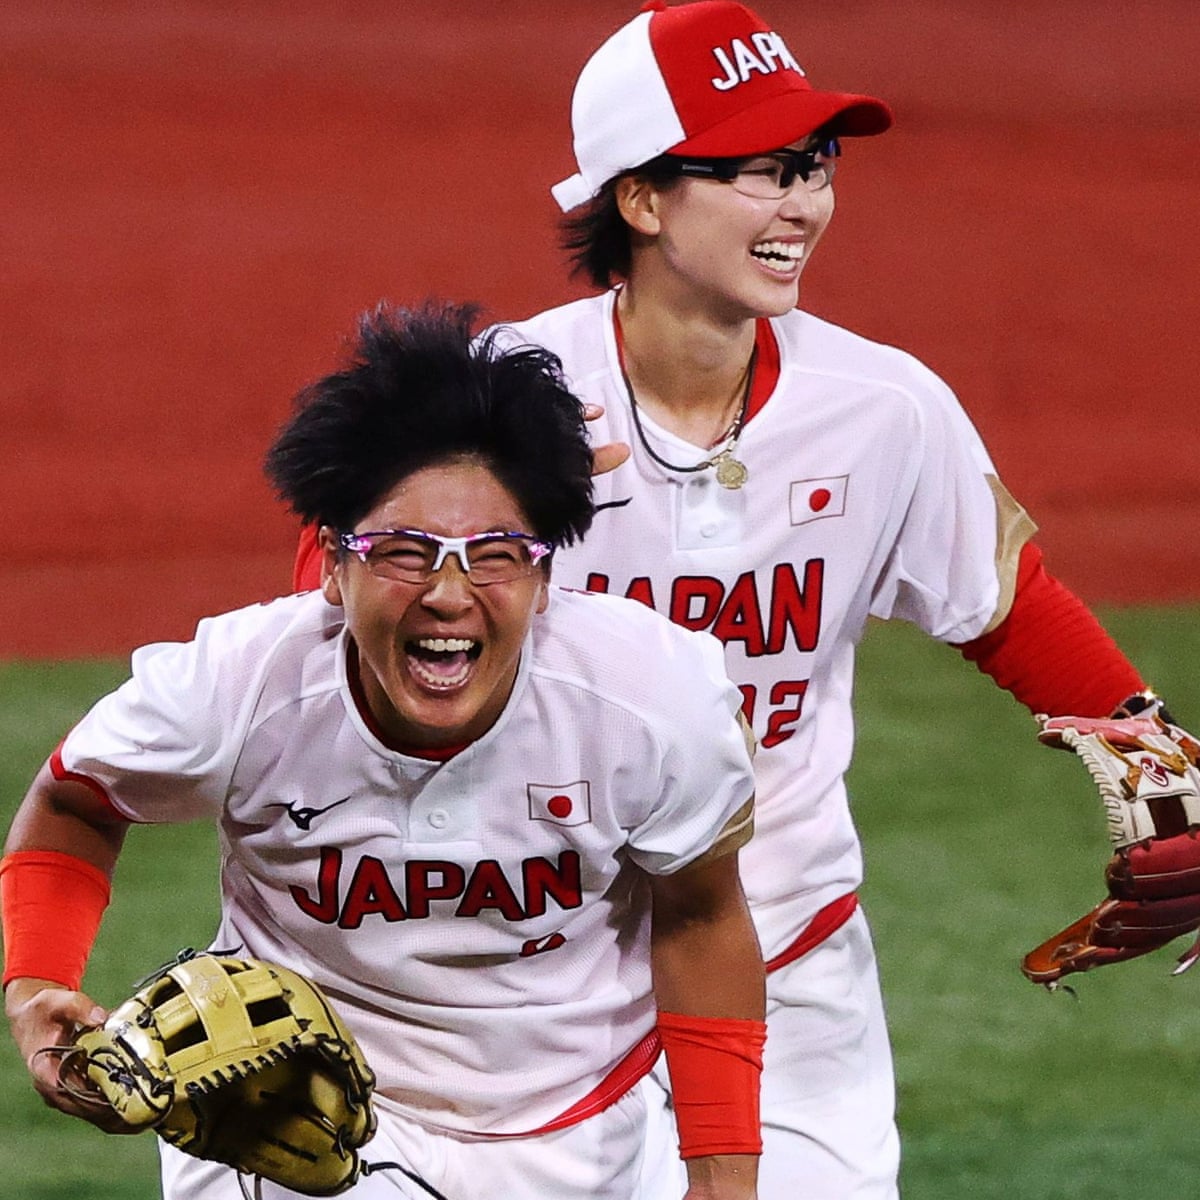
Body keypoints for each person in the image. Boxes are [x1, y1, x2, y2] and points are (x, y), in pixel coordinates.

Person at [291, 4, 1195, 1197]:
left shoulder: (883, 408)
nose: (803, 205)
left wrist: (1151, 742)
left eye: (813, 168)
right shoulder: (503, 404)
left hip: (788, 954)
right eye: (761, 173)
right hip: (532, 964)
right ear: (643, 198)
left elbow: (1005, 604)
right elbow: (326, 623)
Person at [2, 303, 768, 1200]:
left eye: (495, 555)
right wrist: (34, 987)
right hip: (301, 1122)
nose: (449, 593)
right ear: (333, 564)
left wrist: (724, 1181)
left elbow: (701, 916)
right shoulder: (239, 687)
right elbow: (76, 798)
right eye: (405, 552)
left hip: (576, 1136)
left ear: (547, 575)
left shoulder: (649, 701)